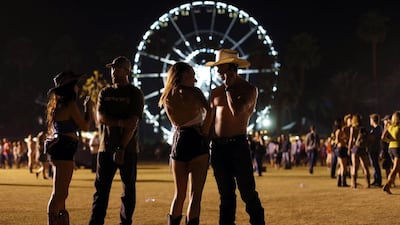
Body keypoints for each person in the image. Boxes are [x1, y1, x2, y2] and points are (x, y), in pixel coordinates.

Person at [205, 49, 265, 225]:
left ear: (231, 69)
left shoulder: (249, 90)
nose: (217, 72)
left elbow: (237, 111)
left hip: (238, 146)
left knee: (247, 192)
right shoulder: (215, 92)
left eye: (220, 68)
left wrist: (229, 89)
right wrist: (205, 146)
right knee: (226, 195)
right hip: (218, 148)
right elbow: (209, 122)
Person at [88, 56, 144, 225]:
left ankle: (125, 223)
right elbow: (100, 118)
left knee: (128, 191)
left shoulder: (135, 93)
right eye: (112, 69)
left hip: (128, 149)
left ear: (127, 71)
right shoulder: (105, 92)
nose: (113, 72)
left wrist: (121, 147)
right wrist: (120, 122)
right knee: (101, 191)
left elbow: (133, 123)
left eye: (118, 69)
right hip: (105, 149)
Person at [158, 62, 211, 225]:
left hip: (179, 142)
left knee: (179, 194)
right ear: (183, 75)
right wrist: (204, 130)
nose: (195, 79)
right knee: (195, 196)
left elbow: (175, 122)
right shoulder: (195, 92)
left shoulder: (167, 96)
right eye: (192, 75)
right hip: (196, 141)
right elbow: (210, 111)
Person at [46, 71, 92, 225]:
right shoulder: (70, 105)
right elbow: (85, 126)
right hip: (65, 149)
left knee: (61, 194)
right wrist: (88, 108)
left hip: (62, 148)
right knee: (59, 194)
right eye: (76, 85)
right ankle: (53, 220)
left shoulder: (57, 105)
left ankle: (60, 221)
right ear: (70, 88)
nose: (78, 88)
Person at [348, 114, 371, 189]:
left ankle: (353, 183)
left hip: (356, 148)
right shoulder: (363, 128)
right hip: (363, 148)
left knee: (355, 167)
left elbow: (351, 139)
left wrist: (349, 149)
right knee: (365, 167)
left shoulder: (353, 128)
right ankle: (368, 183)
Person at [382, 111, 400, 194]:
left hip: (391, 148)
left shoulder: (390, 126)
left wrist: (389, 140)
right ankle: (388, 184)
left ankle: (389, 186)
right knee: (395, 168)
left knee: (398, 168)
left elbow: (383, 137)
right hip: (398, 148)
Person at [368, 113, 383, 187]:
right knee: (374, 165)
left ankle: (378, 181)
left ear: (373, 120)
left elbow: (372, 139)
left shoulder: (376, 129)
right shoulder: (379, 128)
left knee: (375, 165)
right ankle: (376, 179)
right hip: (375, 148)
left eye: (370, 119)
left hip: (374, 149)